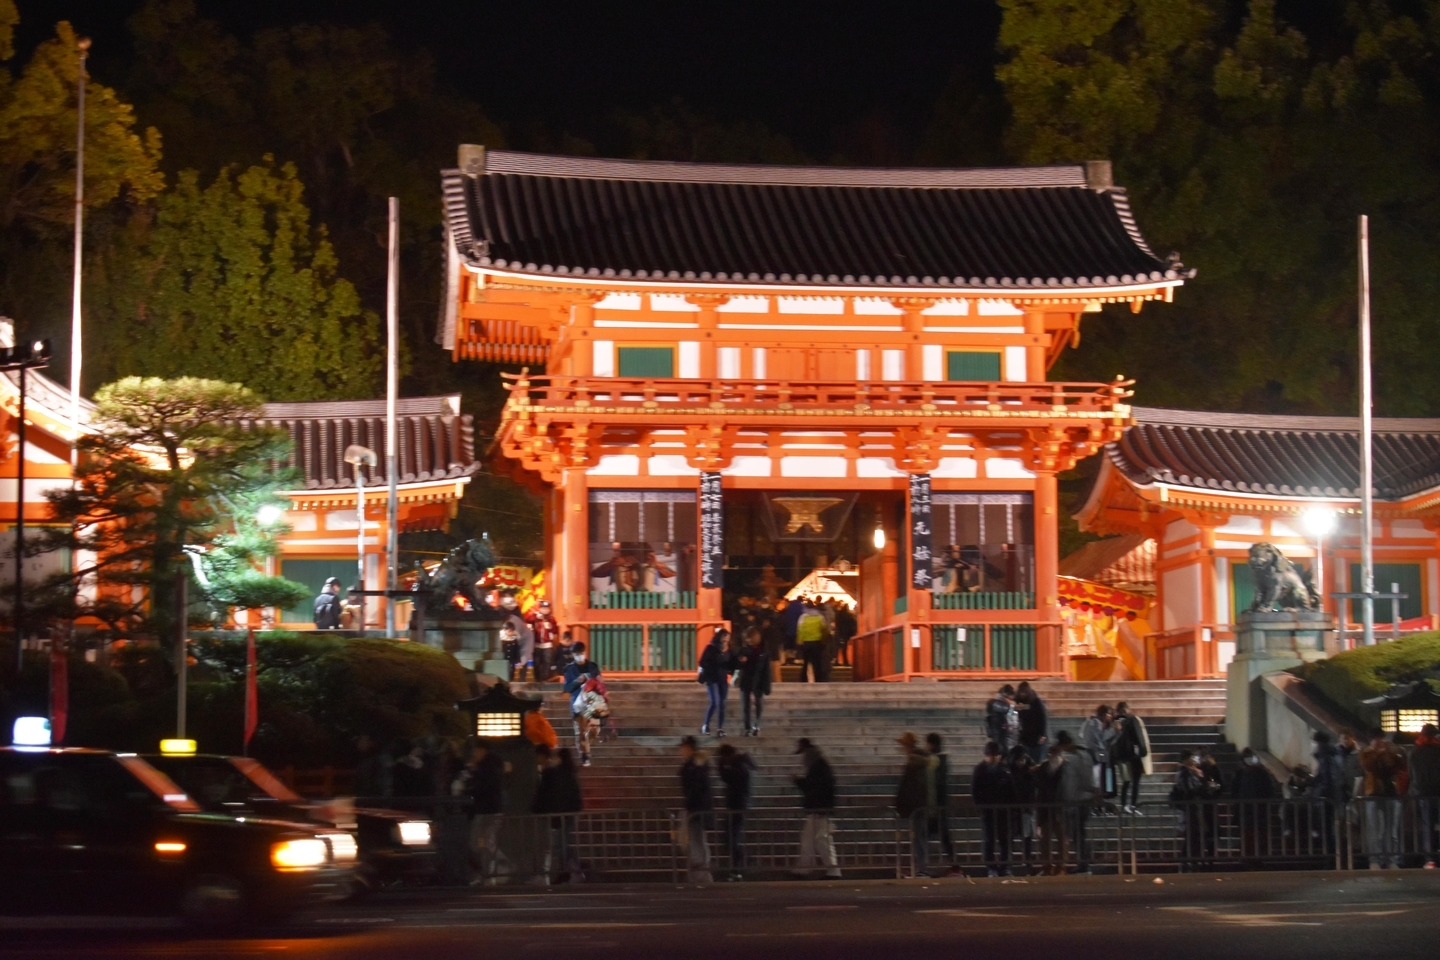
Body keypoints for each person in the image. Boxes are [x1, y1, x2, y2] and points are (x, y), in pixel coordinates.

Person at [455, 740, 508, 884]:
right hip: (491, 809)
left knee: (480, 842)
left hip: (487, 811)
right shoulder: (490, 765)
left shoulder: (487, 767)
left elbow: (483, 788)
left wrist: (467, 790)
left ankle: (500, 865)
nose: (474, 753)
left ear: (482, 750)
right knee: (484, 843)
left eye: (476, 750)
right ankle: (488, 874)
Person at [533, 746, 584, 883]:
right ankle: (572, 871)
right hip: (569, 813)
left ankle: (568, 871)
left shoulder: (555, 773)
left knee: (560, 844)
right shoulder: (570, 773)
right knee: (563, 843)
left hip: (560, 813)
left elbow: (551, 794)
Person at [792, 738, 841, 878]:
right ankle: (804, 869)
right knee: (811, 839)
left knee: (820, 839)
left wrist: (798, 781)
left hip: (819, 810)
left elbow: (813, 788)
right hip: (818, 809)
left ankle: (831, 871)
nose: (803, 759)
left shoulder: (818, 768)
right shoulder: (820, 767)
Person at [1359, 729, 1407, 869]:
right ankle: (1375, 859)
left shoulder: (1390, 753)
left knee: (1391, 829)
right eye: (1376, 739)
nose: (1379, 742)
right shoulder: (1366, 753)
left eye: (1381, 739)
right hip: (1373, 794)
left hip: (1391, 793)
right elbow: (1368, 767)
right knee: (1374, 829)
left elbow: (1399, 766)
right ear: (1370, 741)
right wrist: (1376, 754)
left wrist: (1389, 753)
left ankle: (1392, 858)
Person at [971, 740, 1015, 877]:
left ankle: (1004, 866)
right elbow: (975, 791)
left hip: (1002, 810)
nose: (993, 758)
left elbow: (1011, 790)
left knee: (1004, 840)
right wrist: (980, 808)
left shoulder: (1004, 769)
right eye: (991, 755)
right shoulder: (980, 770)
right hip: (988, 810)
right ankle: (991, 867)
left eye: (996, 755)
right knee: (989, 839)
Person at [895, 732, 935, 878]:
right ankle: (921, 868)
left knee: (919, 838)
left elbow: (910, 787)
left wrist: (903, 805)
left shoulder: (914, 763)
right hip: (920, 805)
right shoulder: (920, 762)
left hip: (916, 806)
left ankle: (922, 869)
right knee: (920, 837)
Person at [1057, 730, 1096, 873]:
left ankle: (1083, 863)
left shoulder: (1071, 760)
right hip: (1085, 799)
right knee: (1080, 834)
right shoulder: (1085, 756)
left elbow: (1071, 784)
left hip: (1075, 801)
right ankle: (1084, 861)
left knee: (1077, 834)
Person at [716, 743, 756, 879]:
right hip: (736, 806)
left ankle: (740, 863)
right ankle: (741, 862)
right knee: (730, 838)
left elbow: (728, 778)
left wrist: (720, 765)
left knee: (731, 838)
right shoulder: (738, 765)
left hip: (738, 807)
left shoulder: (739, 767)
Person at [678, 735, 714, 883]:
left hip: (696, 809)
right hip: (697, 808)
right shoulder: (696, 765)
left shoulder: (695, 766)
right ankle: (701, 873)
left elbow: (696, 788)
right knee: (697, 841)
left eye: (683, 748)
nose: (680, 751)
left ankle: (700, 874)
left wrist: (690, 806)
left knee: (696, 841)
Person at [1233, 747, 1278, 865]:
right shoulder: (1241, 772)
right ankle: (1247, 858)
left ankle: (1257, 858)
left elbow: (1270, 789)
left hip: (1259, 810)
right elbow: (1235, 790)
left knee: (1258, 835)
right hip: (1246, 810)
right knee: (1247, 835)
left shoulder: (1262, 772)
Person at [563, 641, 603, 766]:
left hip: (593, 703)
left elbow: (600, 683)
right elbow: (567, 688)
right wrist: (577, 681)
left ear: (584, 652)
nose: (579, 656)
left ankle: (585, 747)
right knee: (580, 731)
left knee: (595, 729)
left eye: (580, 653)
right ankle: (585, 755)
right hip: (578, 704)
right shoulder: (569, 669)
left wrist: (599, 682)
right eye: (576, 654)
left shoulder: (592, 666)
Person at [1111, 702, 1152, 815]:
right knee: (1135, 782)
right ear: (1127, 709)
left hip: (1123, 756)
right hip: (1134, 755)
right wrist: (1143, 751)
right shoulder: (1133, 719)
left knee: (1126, 781)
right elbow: (1139, 736)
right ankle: (1133, 805)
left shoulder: (1116, 722)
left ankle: (1124, 805)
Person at [1170, 751, 1208, 869]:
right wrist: (1201, 783)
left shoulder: (1189, 772)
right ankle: (1186, 861)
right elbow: (1188, 790)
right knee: (1192, 836)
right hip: (1190, 809)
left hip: (1192, 808)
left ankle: (1190, 861)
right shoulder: (1184, 773)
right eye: (1191, 758)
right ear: (1185, 760)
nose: (1194, 760)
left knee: (1193, 836)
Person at [1409, 723, 1440, 869]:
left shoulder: (1415, 751)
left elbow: (1411, 774)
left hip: (1422, 793)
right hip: (1438, 792)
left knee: (1427, 825)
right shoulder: (1438, 749)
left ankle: (1430, 858)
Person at [926, 732, 957, 873]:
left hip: (936, 806)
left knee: (939, 836)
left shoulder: (936, 761)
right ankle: (952, 864)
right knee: (942, 837)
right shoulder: (938, 761)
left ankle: (952, 865)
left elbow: (938, 784)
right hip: (937, 805)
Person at [1034, 743, 1067, 875]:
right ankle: (1047, 866)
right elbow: (1040, 793)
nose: (1054, 758)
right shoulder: (1043, 769)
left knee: (1062, 841)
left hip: (1060, 810)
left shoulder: (1066, 769)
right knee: (1045, 841)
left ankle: (1060, 865)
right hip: (1046, 810)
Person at [699, 628, 736, 737]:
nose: (726, 640)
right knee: (715, 702)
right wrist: (712, 666)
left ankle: (720, 728)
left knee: (722, 703)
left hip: (723, 679)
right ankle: (706, 725)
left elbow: (732, 663)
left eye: (728, 638)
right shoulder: (711, 648)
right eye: (724, 637)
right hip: (712, 678)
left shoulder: (729, 650)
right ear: (719, 636)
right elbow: (702, 661)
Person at [736, 626, 772, 736]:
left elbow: (767, 670)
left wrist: (767, 686)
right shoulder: (743, 651)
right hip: (746, 680)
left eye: (750, 638)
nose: (748, 640)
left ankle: (757, 725)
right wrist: (741, 661)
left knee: (759, 704)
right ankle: (747, 727)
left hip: (759, 681)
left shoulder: (763, 652)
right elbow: (735, 664)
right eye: (746, 638)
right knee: (745, 706)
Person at [1006, 745, 1038, 870]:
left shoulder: (1031, 770)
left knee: (1027, 838)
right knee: (1011, 837)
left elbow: (1034, 787)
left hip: (1026, 810)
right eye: (1019, 759)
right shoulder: (1009, 771)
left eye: (1023, 759)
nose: (1021, 762)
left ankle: (1028, 863)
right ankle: (1008, 864)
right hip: (1013, 810)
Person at [1080, 705, 1114, 805]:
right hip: (1095, 753)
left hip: (1101, 753)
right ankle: (1096, 804)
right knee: (1097, 781)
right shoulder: (1095, 722)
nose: (1110, 717)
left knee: (1103, 780)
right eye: (1109, 714)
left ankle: (1100, 803)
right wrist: (1113, 730)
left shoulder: (1101, 724)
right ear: (1103, 714)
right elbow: (1101, 738)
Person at [796, 600, 831, 682]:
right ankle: (818, 679)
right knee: (817, 663)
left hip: (806, 643)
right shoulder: (820, 617)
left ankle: (803, 679)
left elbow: (800, 630)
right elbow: (824, 629)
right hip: (817, 642)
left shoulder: (803, 617)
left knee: (805, 662)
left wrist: (799, 641)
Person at [526, 600, 560, 681]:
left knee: (547, 662)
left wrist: (550, 626)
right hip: (536, 643)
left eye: (546, 608)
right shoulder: (535, 617)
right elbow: (528, 620)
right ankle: (537, 679)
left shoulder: (551, 619)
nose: (545, 610)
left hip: (547, 644)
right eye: (543, 608)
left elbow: (555, 631)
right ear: (540, 608)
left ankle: (545, 679)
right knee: (537, 662)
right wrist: (536, 617)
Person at [1015, 681, 1048, 763]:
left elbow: (1042, 718)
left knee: (1036, 758)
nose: (1022, 695)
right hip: (1024, 735)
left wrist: (1043, 734)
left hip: (1036, 734)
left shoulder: (1036, 701)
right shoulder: (1017, 702)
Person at [984, 684, 1020, 756]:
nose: (1011, 700)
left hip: (1007, 735)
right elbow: (1009, 711)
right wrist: (1013, 706)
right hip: (1000, 735)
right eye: (1010, 698)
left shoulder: (1002, 703)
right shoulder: (997, 703)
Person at [833, 602, 857, 667]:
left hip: (839, 633)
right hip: (845, 634)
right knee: (844, 648)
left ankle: (836, 661)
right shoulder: (848, 616)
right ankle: (845, 661)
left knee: (838, 648)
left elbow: (837, 624)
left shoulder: (838, 615)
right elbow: (852, 624)